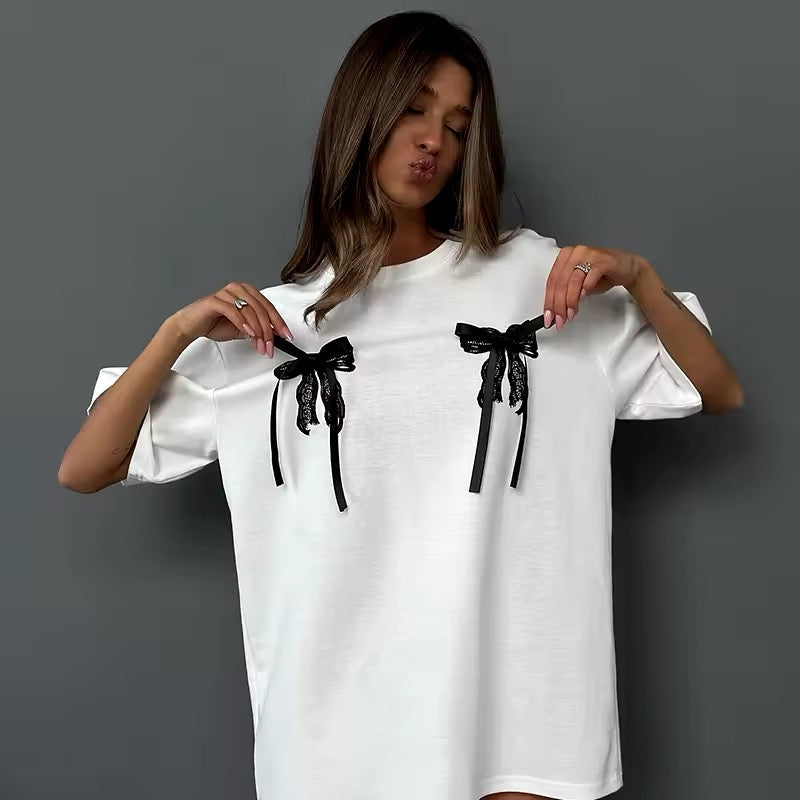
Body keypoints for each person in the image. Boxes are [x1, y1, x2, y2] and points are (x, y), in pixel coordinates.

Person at [58, 10, 743, 800]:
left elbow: (715, 388)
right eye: (414, 109)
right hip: (335, 730)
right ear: (363, 112)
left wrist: (643, 281)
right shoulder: (276, 329)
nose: (433, 142)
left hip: (522, 710)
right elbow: (86, 467)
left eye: (456, 125)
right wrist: (175, 332)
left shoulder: (536, 285)